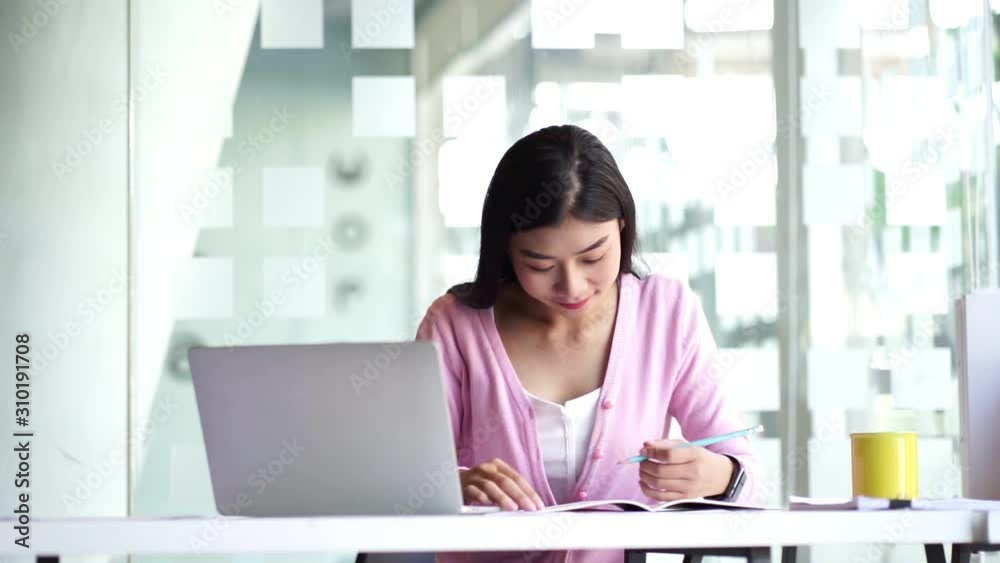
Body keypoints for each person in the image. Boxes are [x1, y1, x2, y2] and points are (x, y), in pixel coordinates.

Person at [416, 125, 762, 563]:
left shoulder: (667, 312)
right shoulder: (454, 326)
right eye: (539, 263)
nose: (572, 285)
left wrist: (719, 476)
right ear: (505, 249)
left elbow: (751, 480)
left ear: (622, 224)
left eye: (593, 256)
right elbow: (401, 483)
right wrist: (454, 485)